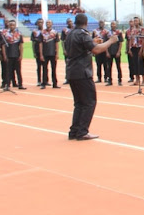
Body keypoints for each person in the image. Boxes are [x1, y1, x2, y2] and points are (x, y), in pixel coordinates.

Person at [65, 13, 118, 141]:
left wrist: (93, 42)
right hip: (82, 72)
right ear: (86, 22)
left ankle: (74, 130)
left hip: (72, 71)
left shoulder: (70, 34)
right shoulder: (83, 34)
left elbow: (83, 47)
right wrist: (110, 41)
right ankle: (82, 131)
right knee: (89, 102)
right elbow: (96, 50)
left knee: (79, 103)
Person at [1, 20, 25, 89]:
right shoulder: (5, 34)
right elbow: (3, 46)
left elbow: (21, 45)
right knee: (8, 71)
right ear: (8, 25)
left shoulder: (19, 34)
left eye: (13, 25)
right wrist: (4, 55)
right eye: (10, 25)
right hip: (9, 55)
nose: (12, 26)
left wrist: (21, 55)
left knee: (18, 71)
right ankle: (8, 85)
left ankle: (20, 84)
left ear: (15, 26)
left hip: (16, 55)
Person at [39, 20, 60, 88]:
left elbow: (56, 43)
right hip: (45, 53)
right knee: (44, 69)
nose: (48, 24)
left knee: (54, 69)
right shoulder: (42, 33)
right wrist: (41, 54)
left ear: (52, 24)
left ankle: (55, 83)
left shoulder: (55, 32)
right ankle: (44, 83)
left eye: (49, 22)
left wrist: (57, 53)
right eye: (47, 23)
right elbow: (40, 43)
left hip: (53, 53)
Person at [108, 21, 124, 85]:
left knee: (118, 66)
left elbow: (120, 43)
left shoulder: (119, 33)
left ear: (116, 25)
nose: (112, 25)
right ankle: (109, 80)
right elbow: (105, 43)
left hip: (116, 51)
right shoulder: (108, 33)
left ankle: (120, 80)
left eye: (114, 24)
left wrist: (119, 51)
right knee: (109, 67)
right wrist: (107, 52)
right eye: (111, 24)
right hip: (110, 51)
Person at [31, 18, 44, 86]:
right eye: (39, 22)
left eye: (41, 22)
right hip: (37, 51)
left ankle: (45, 80)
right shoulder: (34, 32)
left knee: (45, 67)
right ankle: (39, 80)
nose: (40, 24)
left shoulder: (45, 31)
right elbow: (33, 43)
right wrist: (34, 52)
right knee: (39, 66)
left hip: (45, 51)